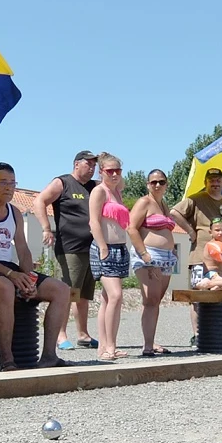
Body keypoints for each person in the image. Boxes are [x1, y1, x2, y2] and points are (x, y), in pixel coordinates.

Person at [0, 162, 71, 370]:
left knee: (62, 290)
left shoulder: (15, 213)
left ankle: (49, 355)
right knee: (5, 286)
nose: (8, 188)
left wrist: (28, 277)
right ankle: (7, 359)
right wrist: (11, 274)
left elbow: (22, 249)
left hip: (8, 268)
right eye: (3, 182)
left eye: (12, 183)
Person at [32, 150, 99, 351]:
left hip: (92, 247)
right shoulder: (63, 182)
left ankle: (83, 334)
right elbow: (39, 201)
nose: (92, 168)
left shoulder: (95, 187)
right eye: (88, 164)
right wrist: (46, 228)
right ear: (76, 164)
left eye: (94, 165)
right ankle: (60, 335)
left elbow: (119, 186)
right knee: (68, 292)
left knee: (85, 295)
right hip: (70, 247)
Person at [171, 167, 222, 345]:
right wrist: (190, 231)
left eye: (218, 180)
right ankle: (198, 335)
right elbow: (174, 212)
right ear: (206, 182)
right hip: (199, 257)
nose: (215, 183)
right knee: (198, 295)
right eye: (211, 180)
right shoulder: (196, 199)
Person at [127, 169, 180, 356]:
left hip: (166, 257)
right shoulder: (144, 202)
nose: (157, 185)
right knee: (150, 300)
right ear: (148, 184)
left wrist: (172, 250)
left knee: (156, 301)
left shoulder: (164, 204)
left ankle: (151, 341)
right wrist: (144, 253)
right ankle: (147, 346)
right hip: (150, 255)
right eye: (154, 182)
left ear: (166, 184)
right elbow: (131, 228)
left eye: (161, 182)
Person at [88, 152, 130, 362]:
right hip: (104, 249)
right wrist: (103, 247)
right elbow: (94, 222)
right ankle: (109, 346)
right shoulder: (99, 192)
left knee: (107, 299)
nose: (114, 174)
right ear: (101, 172)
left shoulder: (118, 192)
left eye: (117, 170)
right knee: (115, 295)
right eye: (110, 171)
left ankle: (106, 346)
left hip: (120, 249)